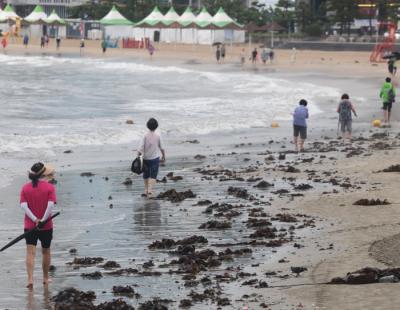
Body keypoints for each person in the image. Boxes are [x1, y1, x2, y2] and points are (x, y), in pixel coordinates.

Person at [20, 162, 57, 289]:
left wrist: (35, 219)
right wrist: (42, 220)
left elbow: (23, 206)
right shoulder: (49, 187)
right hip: (46, 226)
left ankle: (30, 279)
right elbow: (51, 205)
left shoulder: (25, 188)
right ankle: (45, 278)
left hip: (30, 225)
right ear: (43, 174)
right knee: (46, 251)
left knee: (30, 252)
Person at [138, 118, 165, 198]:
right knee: (153, 175)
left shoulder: (145, 135)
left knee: (146, 174)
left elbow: (140, 147)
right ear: (156, 126)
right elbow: (162, 147)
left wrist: (138, 157)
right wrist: (164, 155)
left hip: (145, 158)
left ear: (147, 126)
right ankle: (150, 190)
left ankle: (146, 189)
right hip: (155, 159)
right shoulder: (158, 135)